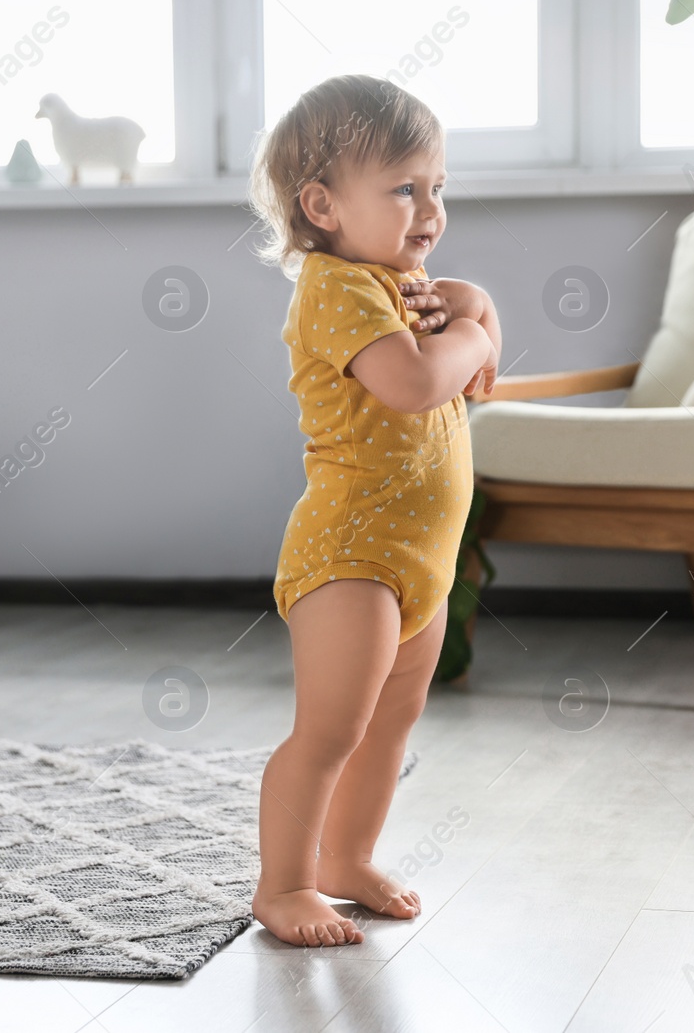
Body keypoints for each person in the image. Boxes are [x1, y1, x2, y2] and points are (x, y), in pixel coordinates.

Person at [246, 74, 502, 947]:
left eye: (438, 187)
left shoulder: (396, 279)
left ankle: (343, 858)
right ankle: (282, 885)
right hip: (352, 556)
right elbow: (412, 380)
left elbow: (454, 308)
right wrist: (472, 338)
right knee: (330, 730)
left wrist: (472, 306)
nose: (429, 208)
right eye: (403, 188)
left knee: (391, 724)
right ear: (322, 204)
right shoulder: (332, 289)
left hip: (419, 562)